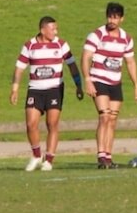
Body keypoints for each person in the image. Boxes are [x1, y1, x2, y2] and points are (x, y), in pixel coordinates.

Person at [10, 16, 84, 171]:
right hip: (35, 89)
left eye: (56, 29)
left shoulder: (61, 44)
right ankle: (37, 156)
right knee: (31, 124)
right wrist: (15, 89)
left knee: (52, 124)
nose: (55, 32)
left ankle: (49, 159)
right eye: (53, 29)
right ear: (42, 30)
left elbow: (72, 66)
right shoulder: (29, 45)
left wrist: (78, 85)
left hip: (54, 89)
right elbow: (19, 68)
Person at [81, 2, 137, 169]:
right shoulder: (97, 35)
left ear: (122, 18)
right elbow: (86, 57)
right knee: (104, 116)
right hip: (99, 80)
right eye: (110, 16)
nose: (112, 20)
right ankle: (101, 156)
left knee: (113, 120)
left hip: (115, 82)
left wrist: (136, 84)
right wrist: (87, 79)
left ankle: (108, 156)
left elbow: (130, 62)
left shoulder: (126, 39)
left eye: (115, 17)